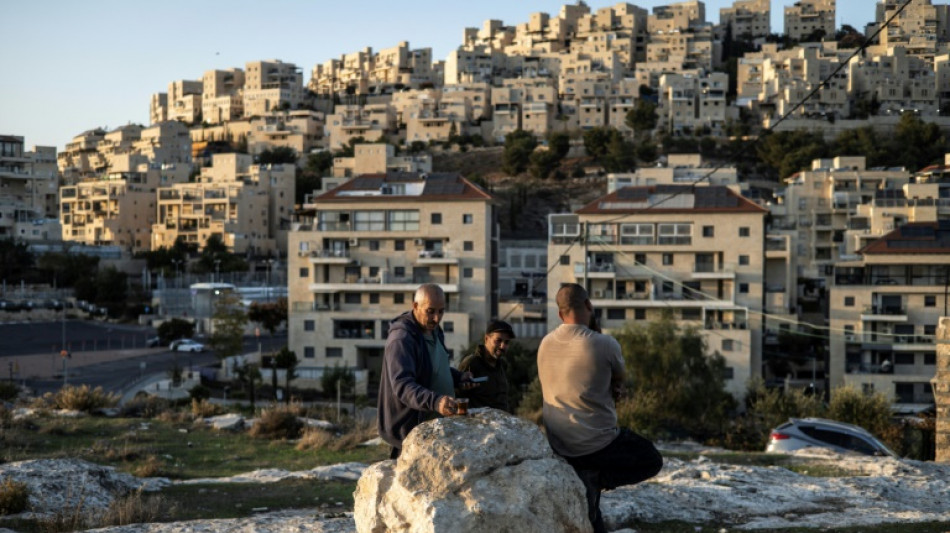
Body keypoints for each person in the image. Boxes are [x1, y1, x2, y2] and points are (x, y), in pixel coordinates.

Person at [538, 283, 663, 533]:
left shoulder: (544, 344)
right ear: (589, 306)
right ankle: (597, 478)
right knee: (651, 459)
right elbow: (620, 378)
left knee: (592, 512)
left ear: (560, 314)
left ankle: (591, 482)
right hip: (596, 445)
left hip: (559, 443)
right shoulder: (604, 343)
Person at [377, 283, 473, 458]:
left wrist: (458, 378)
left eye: (441, 311)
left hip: (436, 430)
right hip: (412, 434)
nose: (437, 318)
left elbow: (432, 368)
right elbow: (403, 386)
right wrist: (435, 402)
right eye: (430, 311)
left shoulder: (434, 330)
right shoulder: (401, 339)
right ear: (415, 306)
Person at [457, 319, 515, 412]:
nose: (502, 346)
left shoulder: (502, 364)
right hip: (478, 424)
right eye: (498, 340)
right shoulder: (472, 363)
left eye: (506, 342)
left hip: (501, 423)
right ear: (487, 339)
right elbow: (458, 396)